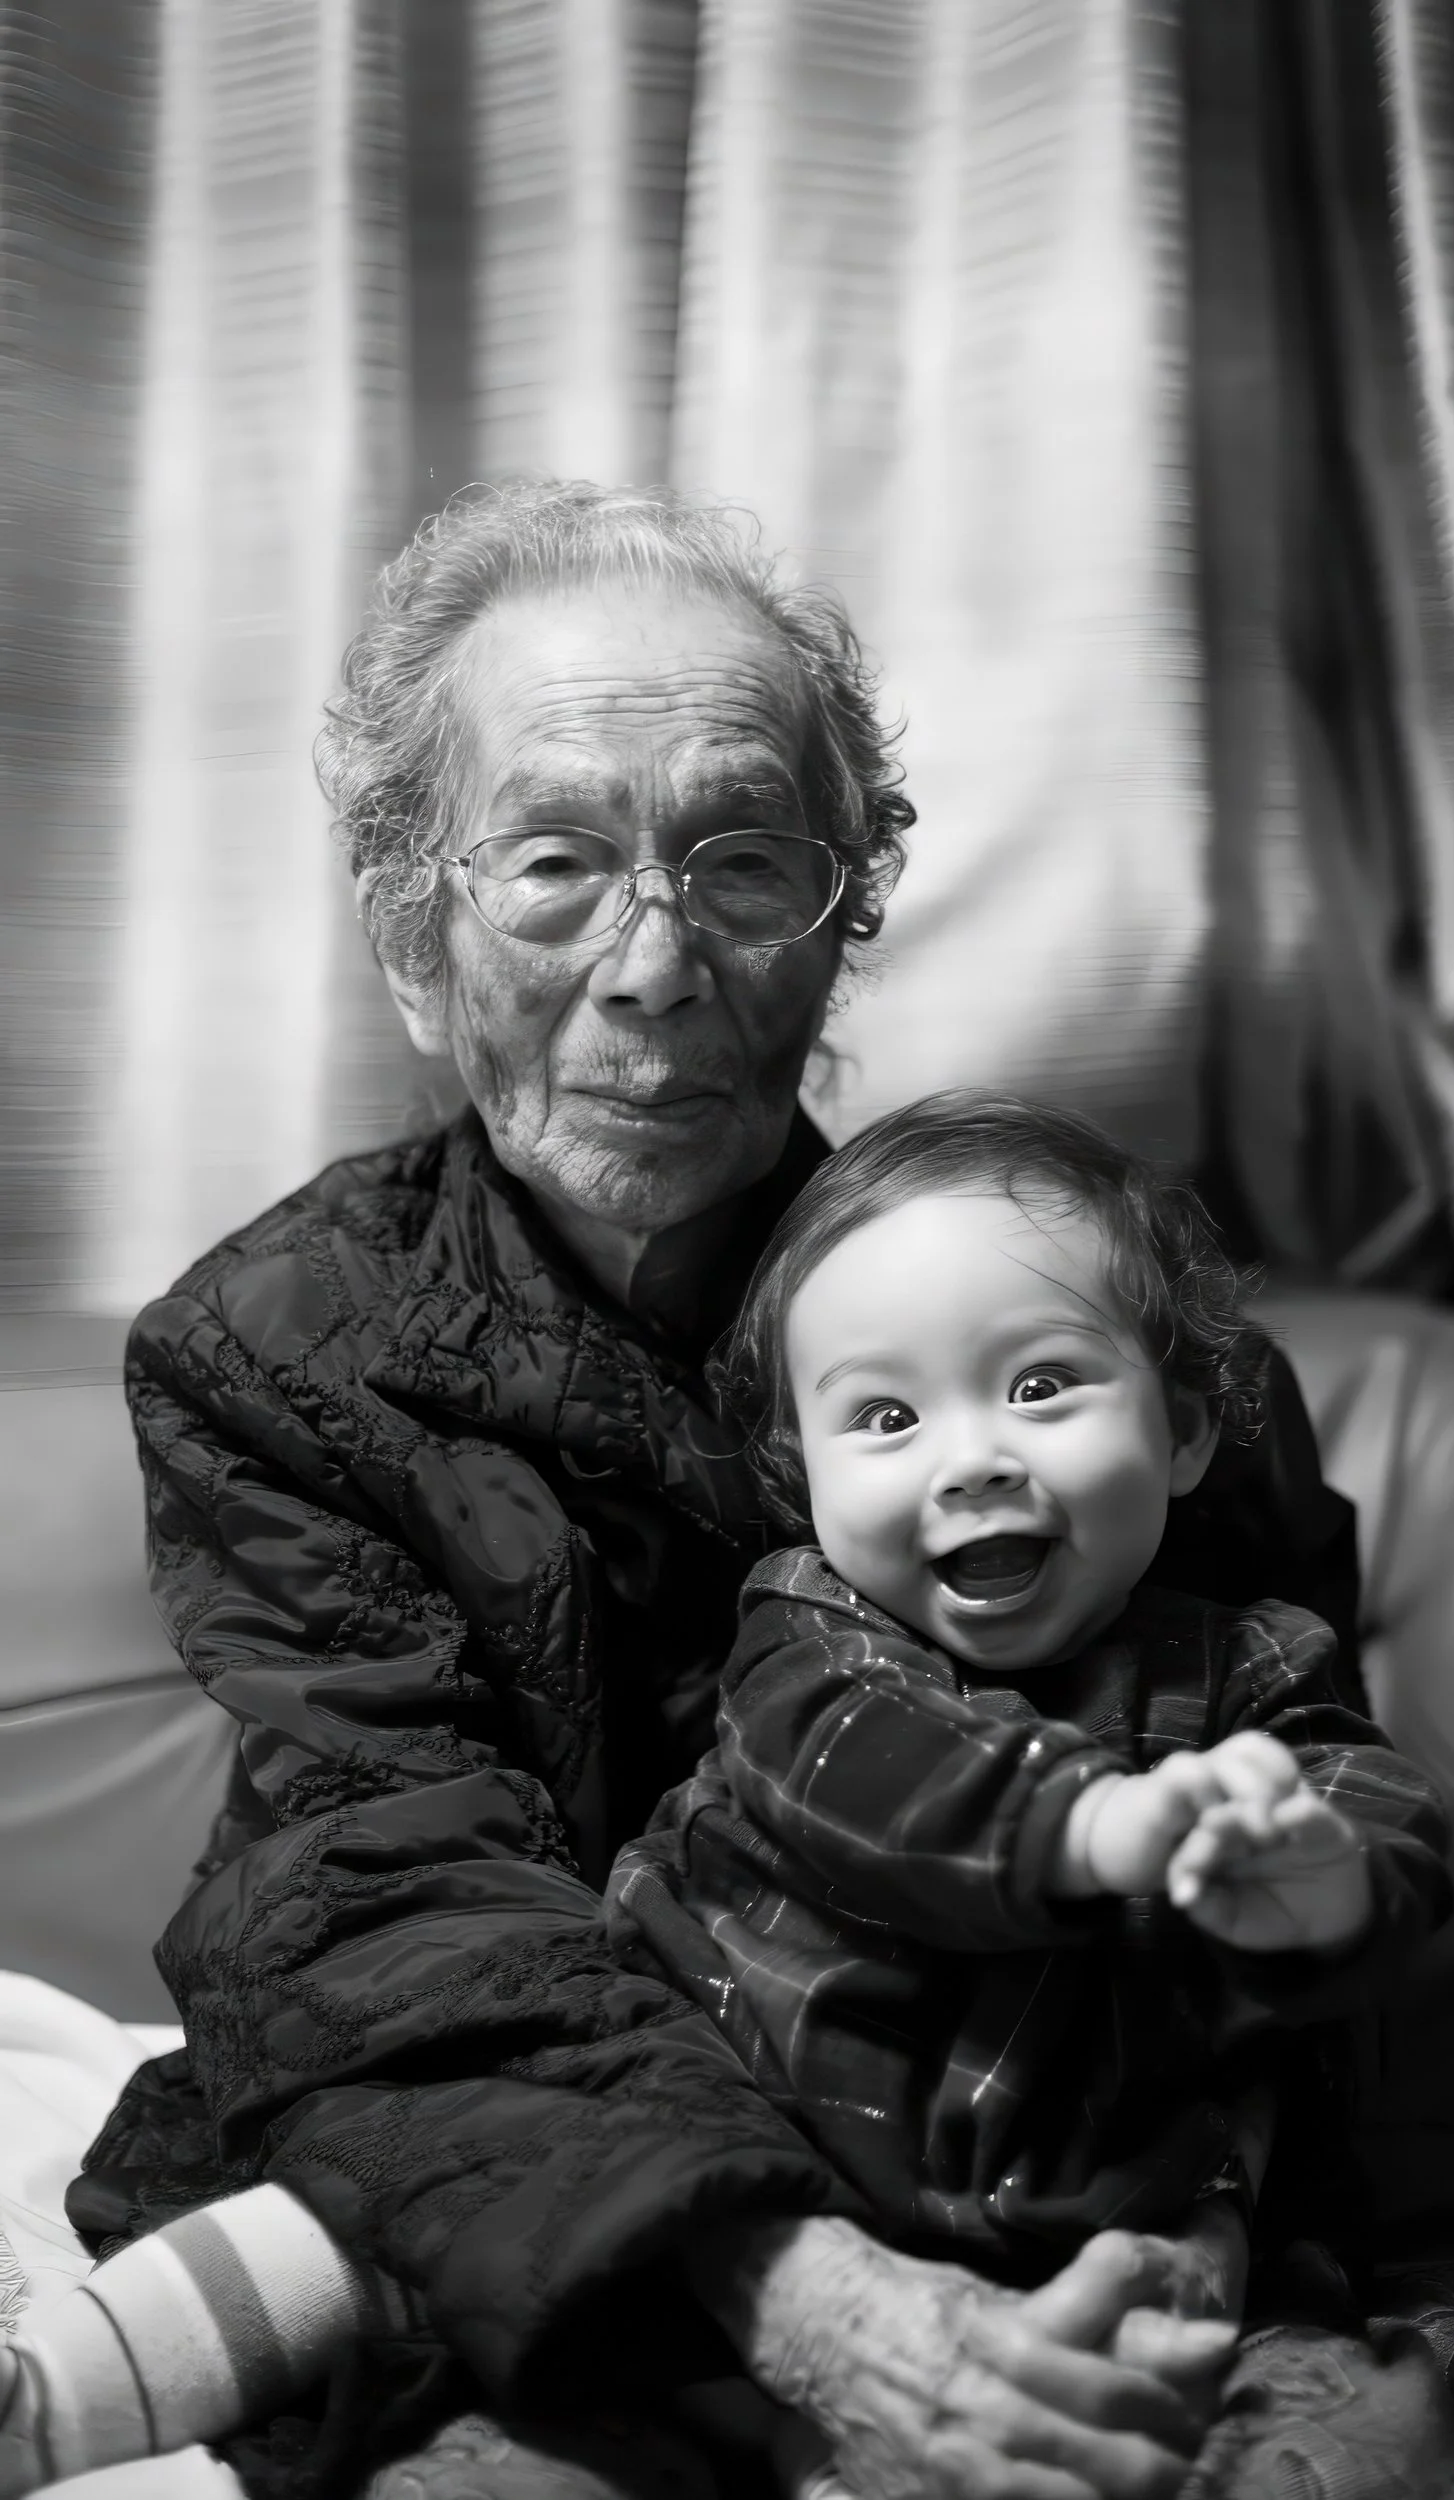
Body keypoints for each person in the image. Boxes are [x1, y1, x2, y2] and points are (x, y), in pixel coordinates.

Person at [16, 481, 1366, 2500]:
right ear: (414, 935)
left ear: (845, 927)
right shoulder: (273, 1347)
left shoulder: (1067, 1306)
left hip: (1007, 2117)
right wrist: (817, 2306)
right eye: (554, 860)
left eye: (744, 860)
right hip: (499, 2109)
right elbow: (404, 1910)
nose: (653, 964)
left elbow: (1284, 1745)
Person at [602, 1094, 1454, 2497]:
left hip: (1106, 2227)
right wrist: (1102, 1824)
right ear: (802, 1481)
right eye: (883, 1416)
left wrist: (1320, 1872)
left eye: (1040, 1385)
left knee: (1396, 2438)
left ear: (1177, 1435)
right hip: (780, 2203)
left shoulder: (1247, 1663)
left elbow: (1376, 1798)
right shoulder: (808, 1643)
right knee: (523, 2357)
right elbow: (881, 1787)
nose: (976, 1455)